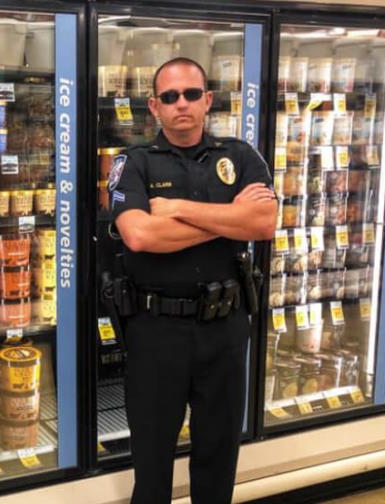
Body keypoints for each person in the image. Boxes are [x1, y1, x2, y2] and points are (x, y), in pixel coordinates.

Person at [109, 57, 277, 503]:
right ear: (154, 106)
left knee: (219, 455)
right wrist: (228, 218)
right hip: (156, 329)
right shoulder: (133, 162)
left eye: (190, 94)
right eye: (169, 97)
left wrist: (177, 210)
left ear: (207, 100)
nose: (180, 104)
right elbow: (140, 235)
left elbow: (263, 222)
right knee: (152, 459)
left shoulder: (240, 155)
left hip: (225, 327)